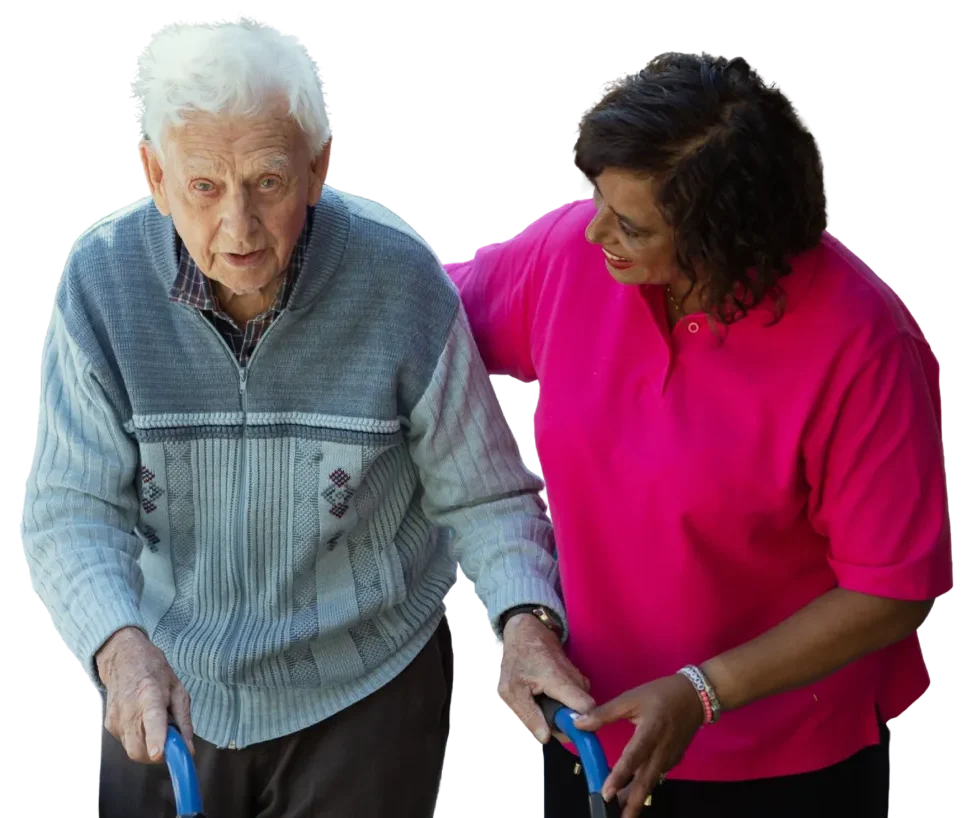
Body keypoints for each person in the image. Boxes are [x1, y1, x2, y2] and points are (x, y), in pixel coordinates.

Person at [22, 17, 594, 818]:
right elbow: (70, 512)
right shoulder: (100, 286)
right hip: (167, 676)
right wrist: (118, 649)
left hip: (363, 686)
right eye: (204, 188)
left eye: (268, 181)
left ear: (319, 165)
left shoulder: (400, 281)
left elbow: (487, 497)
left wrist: (526, 620)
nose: (239, 229)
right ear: (153, 173)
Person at [444, 53, 953, 818]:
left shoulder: (864, 344)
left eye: (633, 225)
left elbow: (889, 591)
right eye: (598, 203)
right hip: (592, 734)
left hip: (792, 761)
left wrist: (700, 692)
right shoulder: (570, 254)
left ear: (729, 240)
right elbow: (422, 324)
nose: (596, 235)